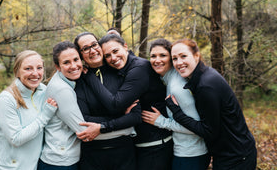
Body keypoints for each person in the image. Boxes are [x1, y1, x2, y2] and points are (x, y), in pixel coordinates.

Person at [79, 34, 173, 170]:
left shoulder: (139, 68)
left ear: (125, 47)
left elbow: (115, 105)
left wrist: (89, 76)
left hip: (155, 143)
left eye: (115, 51)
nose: (113, 58)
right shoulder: (122, 69)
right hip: (140, 143)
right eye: (108, 56)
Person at [166, 38, 257, 169]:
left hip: (236, 157)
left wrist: (177, 112)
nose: (179, 63)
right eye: (174, 59)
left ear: (196, 56)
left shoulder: (205, 86)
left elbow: (209, 131)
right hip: (230, 153)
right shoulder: (203, 76)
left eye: (183, 56)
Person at [74, 32, 142, 170]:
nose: (92, 50)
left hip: (124, 152)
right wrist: (122, 117)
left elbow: (135, 116)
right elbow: (84, 119)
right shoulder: (79, 80)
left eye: (94, 45)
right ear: (80, 55)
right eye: (86, 48)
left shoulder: (120, 71)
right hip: (92, 154)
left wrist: (102, 127)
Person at [142, 38, 210, 169]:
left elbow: (197, 127)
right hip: (184, 152)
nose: (157, 60)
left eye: (163, 55)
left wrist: (161, 122)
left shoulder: (177, 87)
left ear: (171, 59)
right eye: (153, 56)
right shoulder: (171, 79)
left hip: (191, 155)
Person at [38, 41, 102, 170]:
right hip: (60, 162)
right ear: (57, 67)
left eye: (76, 59)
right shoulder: (62, 90)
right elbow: (83, 131)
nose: (73, 66)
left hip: (62, 159)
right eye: (66, 62)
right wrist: (124, 121)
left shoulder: (65, 81)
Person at [0, 50, 57, 170]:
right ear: (17, 71)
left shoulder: (43, 91)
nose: (35, 73)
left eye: (39, 68)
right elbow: (16, 139)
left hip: (37, 165)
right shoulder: (7, 99)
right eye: (28, 69)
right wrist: (45, 115)